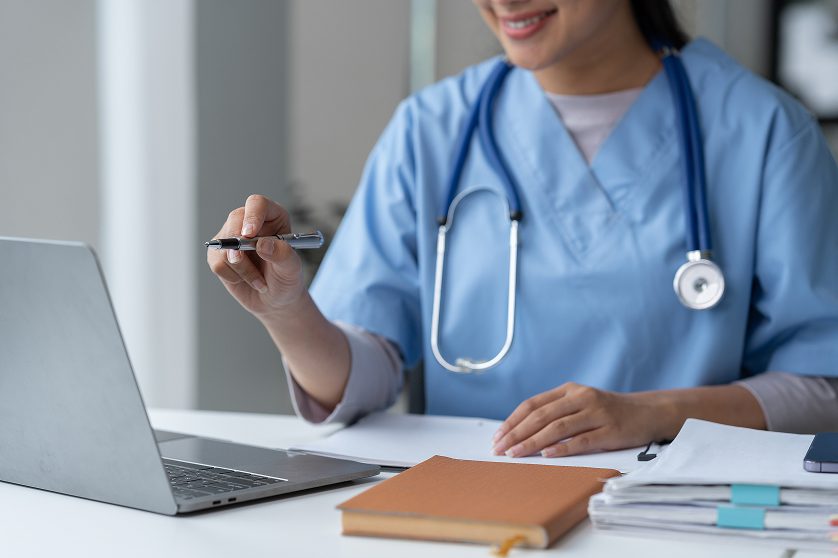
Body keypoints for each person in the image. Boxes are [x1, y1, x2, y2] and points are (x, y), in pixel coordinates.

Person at [208, 0, 838, 458]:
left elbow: (824, 385)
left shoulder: (764, 132)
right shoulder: (431, 130)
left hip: (674, 515)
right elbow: (367, 374)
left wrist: (653, 414)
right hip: (476, 508)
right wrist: (287, 312)